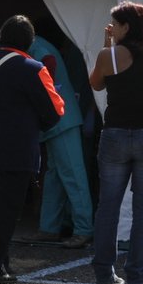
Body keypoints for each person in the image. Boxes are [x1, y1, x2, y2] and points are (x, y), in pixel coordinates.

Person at [0, 14, 65, 284]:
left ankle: (0, 263)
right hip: (16, 148)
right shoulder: (33, 68)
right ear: (29, 42)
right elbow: (55, 111)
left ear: (1, 35)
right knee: (7, 211)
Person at [88, 1, 143, 284]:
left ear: (126, 26)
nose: (112, 27)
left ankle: (104, 275)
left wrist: (108, 45)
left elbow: (96, 85)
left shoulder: (107, 55)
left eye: (116, 24)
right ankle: (137, 278)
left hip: (115, 134)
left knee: (108, 206)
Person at [27, 28, 93, 249]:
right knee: (56, 175)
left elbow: (45, 77)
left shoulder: (39, 49)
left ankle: (83, 229)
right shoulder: (40, 46)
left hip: (61, 121)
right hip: (60, 120)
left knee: (72, 175)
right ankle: (49, 228)